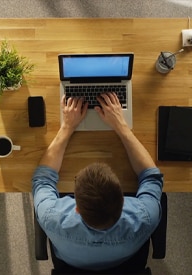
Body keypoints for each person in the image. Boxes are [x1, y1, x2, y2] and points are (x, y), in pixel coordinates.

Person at [32, 92, 163, 272]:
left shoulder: (52, 217)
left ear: (76, 208)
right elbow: (150, 176)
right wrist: (121, 126)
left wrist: (67, 127)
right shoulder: (145, 217)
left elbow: (43, 179)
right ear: (123, 198)